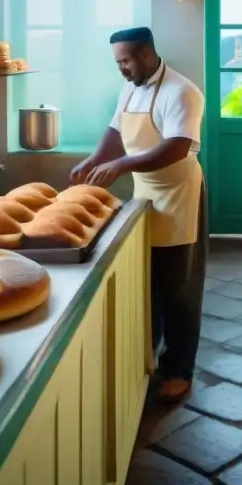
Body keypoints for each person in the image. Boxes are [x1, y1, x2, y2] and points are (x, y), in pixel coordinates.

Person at [70, 27, 207, 402]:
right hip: (145, 193)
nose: (122, 69)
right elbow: (116, 130)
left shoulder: (183, 92)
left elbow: (177, 147)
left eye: (126, 61)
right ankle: (151, 357)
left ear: (146, 53)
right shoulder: (131, 87)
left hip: (178, 196)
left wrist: (121, 166)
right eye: (118, 62)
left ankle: (180, 369)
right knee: (150, 282)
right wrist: (96, 159)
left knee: (179, 289)